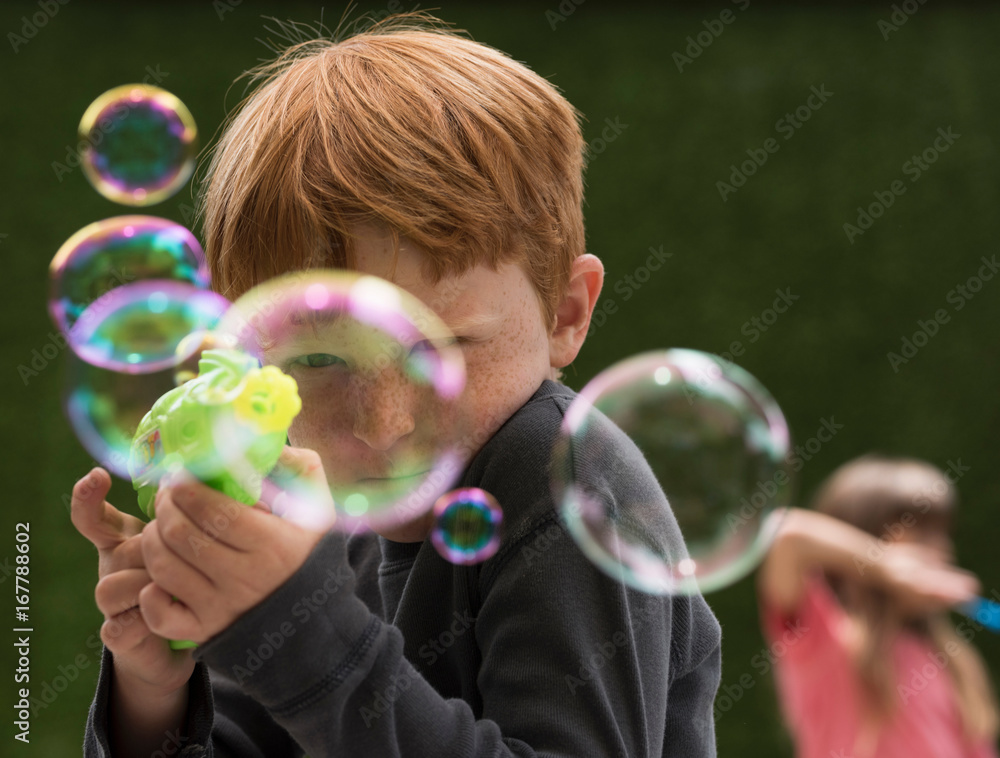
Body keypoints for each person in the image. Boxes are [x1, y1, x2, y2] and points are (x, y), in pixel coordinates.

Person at [71, 13, 722, 757]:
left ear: (565, 313)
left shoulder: (564, 479)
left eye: (441, 349)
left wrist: (308, 641)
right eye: (321, 361)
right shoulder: (319, 514)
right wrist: (153, 690)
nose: (384, 424)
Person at [757, 454, 999, 758]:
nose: (944, 551)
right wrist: (889, 566)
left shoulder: (951, 660)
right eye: (923, 534)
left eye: (943, 534)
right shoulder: (822, 643)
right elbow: (786, 535)